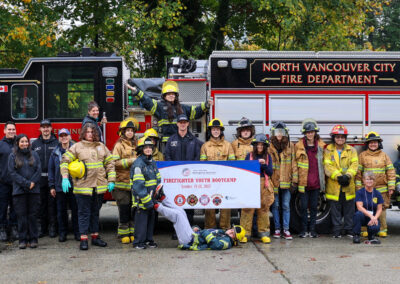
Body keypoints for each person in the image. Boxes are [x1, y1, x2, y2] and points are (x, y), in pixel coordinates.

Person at [60, 123, 115, 250]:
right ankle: (83, 238)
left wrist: (111, 180)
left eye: (92, 132)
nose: (90, 134)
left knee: (95, 213)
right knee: (83, 213)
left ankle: (95, 237)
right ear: (83, 133)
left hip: (99, 187)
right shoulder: (77, 147)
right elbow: (64, 161)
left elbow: (110, 164)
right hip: (83, 188)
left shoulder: (101, 147)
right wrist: (64, 178)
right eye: (88, 132)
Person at [152, 185, 246, 250]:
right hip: (192, 236)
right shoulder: (223, 234)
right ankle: (162, 198)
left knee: (178, 216)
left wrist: (203, 231)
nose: (230, 230)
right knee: (181, 211)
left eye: (232, 233)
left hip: (189, 241)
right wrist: (197, 229)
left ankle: (155, 205)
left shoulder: (226, 243)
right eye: (231, 229)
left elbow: (214, 244)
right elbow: (204, 235)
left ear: (234, 239)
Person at [126, 80, 212, 143]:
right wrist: (137, 92)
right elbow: (148, 102)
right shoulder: (159, 107)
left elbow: (196, 112)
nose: (171, 96)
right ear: (164, 96)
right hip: (166, 142)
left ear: (176, 96)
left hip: (182, 141)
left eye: (173, 94)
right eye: (169, 94)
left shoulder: (182, 108)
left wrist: (206, 105)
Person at [164, 113, 203, 226]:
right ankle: (177, 230)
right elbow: (167, 156)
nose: (182, 124)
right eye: (180, 122)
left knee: (190, 203)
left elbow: (197, 156)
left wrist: (192, 170)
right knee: (176, 204)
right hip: (176, 179)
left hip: (189, 179)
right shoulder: (171, 140)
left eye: (184, 122)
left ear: (187, 124)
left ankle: (189, 228)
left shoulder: (194, 140)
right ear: (177, 124)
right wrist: (173, 170)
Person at [355, 131, 395, 238]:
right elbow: (358, 174)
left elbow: (390, 171)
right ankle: (365, 229)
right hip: (366, 189)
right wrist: (359, 188)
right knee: (365, 207)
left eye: (375, 142)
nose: (373, 144)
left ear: (379, 144)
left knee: (381, 208)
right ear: (367, 144)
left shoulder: (384, 156)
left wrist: (391, 186)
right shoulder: (362, 156)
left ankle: (382, 229)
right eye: (371, 142)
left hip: (381, 188)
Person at [324, 124, 358, 238]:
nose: (340, 139)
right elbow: (327, 166)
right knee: (335, 210)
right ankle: (337, 230)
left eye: (342, 137)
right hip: (335, 185)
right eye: (337, 137)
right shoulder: (328, 150)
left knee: (349, 209)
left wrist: (348, 176)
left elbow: (354, 165)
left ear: (345, 138)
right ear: (333, 138)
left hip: (348, 184)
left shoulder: (352, 150)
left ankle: (348, 230)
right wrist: (338, 176)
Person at [200, 118, 235, 230]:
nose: (216, 131)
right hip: (210, 183)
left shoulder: (228, 145)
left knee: (225, 206)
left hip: (224, 182)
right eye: (214, 129)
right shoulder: (205, 146)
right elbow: (202, 165)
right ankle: (210, 229)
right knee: (209, 205)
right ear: (210, 131)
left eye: (218, 129)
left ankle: (225, 229)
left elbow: (232, 164)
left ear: (221, 131)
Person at [8, 134, 41, 249]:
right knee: (21, 216)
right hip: (19, 191)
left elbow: (38, 170)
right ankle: (22, 240)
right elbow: (12, 173)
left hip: (34, 190)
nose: (24, 144)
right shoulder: (12, 156)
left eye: (26, 141)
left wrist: (32, 182)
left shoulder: (35, 154)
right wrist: (27, 184)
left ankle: (33, 239)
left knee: (33, 215)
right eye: (22, 142)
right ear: (17, 143)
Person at [240, 134, 274, 244]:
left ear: (265, 146)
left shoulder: (268, 157)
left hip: (264, 184)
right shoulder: (249, 156)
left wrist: (263, 165)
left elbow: (270, 172)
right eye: (258, 144)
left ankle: (263, 233)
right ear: (254, 145)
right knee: (247, 209)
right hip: (250, 184)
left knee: (263, 209)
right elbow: (244, 170)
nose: (260, 146)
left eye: (262, 145)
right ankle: (245, 234)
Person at [295, 119, 326, 238]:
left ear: (315, 133)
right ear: (305, 133)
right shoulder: (299, 146)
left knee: (313, 207)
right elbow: (295, 163)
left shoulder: (322, 146)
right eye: (308, 132)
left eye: (312, 132)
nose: (310, 134)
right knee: (303, 208)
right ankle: (303, 230)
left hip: (316, 183)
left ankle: (312, 230)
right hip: (304, 183)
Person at [48, 128, 79, 242]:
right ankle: (63, 233)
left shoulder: (76, 151)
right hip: (60, 186)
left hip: (74, 186)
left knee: (76, 210)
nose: (64, 138)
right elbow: (51, 170)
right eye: (61, 136)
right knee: (61, 211)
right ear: (59, 138)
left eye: (66, 135)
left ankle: (77, 232)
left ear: (70, 136)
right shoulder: (55, 152)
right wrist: (52, 186)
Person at [130, 136, 161, 249]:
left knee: (150, 221)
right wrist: (146, 199)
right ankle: (138, 242)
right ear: (141, 149)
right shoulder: (138, 164)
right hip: (141, 199)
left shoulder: (152, 161)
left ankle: (148, 240)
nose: (148, 149)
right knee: (141, 222)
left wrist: (158, 192)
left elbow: (158, 178)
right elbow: (138, 185)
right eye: (146, 147)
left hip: (151, 198)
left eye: (150, 147)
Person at [269, 122, 298, 240]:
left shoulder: (290, 146)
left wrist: (295, 180)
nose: (279, 134)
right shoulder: (269, 147)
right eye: (277, 132)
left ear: (285, 133)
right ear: (273, 134)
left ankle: (286, 229)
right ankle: (277, 229)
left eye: (281, 132)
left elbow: (294, 163)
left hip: (287, 181)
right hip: (274, 182)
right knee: (275, 206)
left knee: (286, 206)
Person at [112, 118, 138, 244]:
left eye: (131, 131)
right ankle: (122, 233)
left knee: (133, 209)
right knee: (124, 209)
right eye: (127, 130)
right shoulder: (118, 146)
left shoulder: (137, 145)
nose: (129, 133)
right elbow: (114, 163)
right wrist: (130, 161)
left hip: (133, 184)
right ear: (123, 132)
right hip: (121, 185)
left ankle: (132, 232)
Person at [32, 119, 58, 238]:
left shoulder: (56, 143)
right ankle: (41, 228)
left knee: (52, 205)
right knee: (40, 205)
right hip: (39, 180)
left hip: (52, 179)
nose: (46, 129)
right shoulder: (35, 144)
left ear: (51, 129)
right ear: (40, 129)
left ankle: (52, 227)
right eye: (43, 127)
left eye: (48, 127)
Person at [353, 172, 383, 244]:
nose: (369, 181)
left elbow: (379, 209)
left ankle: (371, 236)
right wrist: (371, 216)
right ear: (363, 180)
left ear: (374, 181)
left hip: (373, 217)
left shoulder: (377, 193)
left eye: (371, 179)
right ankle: (356, 235)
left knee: (375, 227)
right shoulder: (360, 192)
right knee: (358, 214)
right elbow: (359, 207)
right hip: (363, 216)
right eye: (367, 179)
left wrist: (375, 218)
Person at [0, 121, 18, 241]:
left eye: (13, 129)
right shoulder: (0, 144)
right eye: (9, 129)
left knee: (15, 207)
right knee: (2, 207)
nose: (11, 131)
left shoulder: (19, 144)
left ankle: (13, 228)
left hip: (16, 182)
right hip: (3, 182)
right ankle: (2, 229)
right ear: (4, 131)